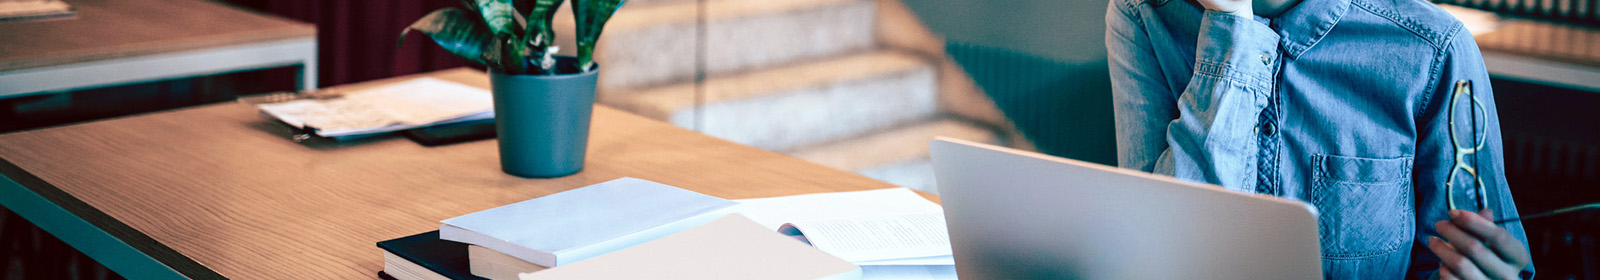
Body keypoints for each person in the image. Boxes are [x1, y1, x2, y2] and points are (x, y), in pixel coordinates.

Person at [1104, 0, 1535, 278]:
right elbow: (1158, 260)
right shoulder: (1141, 14)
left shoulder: (1434, 49)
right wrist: (1231, 26)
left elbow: (1477, 262)